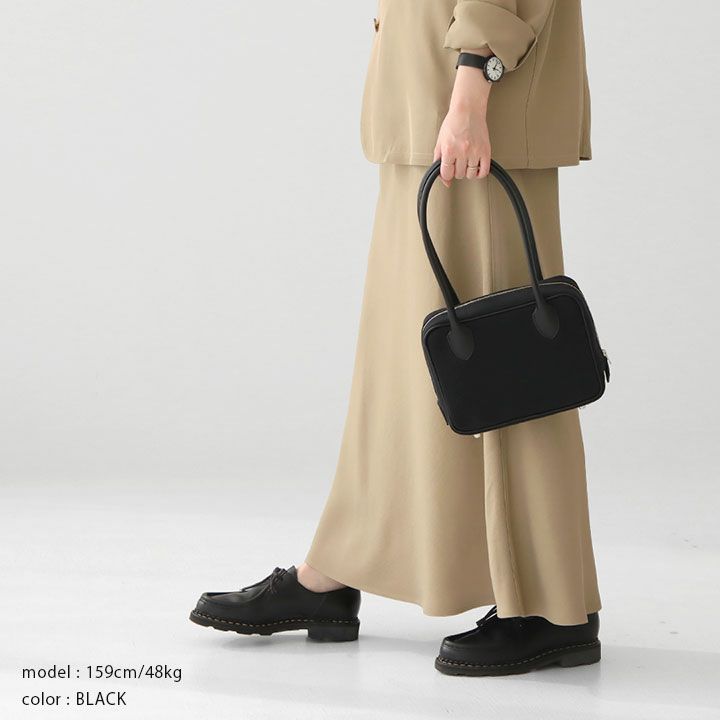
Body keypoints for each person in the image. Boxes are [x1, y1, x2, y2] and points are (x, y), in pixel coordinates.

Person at [190, 0, 602, 676]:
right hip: (428, 113)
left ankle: (554, 608)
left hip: (475, 114)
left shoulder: (471, 100)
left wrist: (472, 88)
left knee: (510, 371)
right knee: (407, 367)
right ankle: (335, 569)